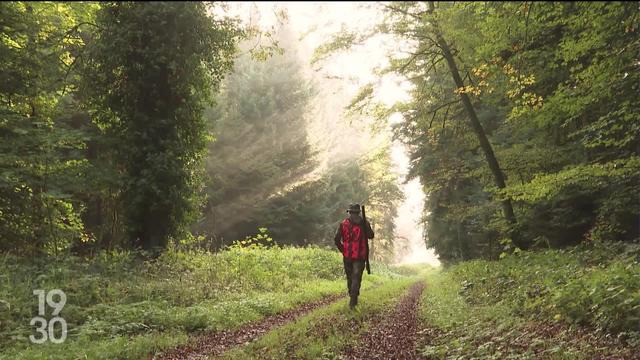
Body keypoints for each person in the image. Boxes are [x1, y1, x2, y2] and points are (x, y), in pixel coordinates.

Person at [334, 203, 374, 309]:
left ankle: (353, 302)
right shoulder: (344, 224)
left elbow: (371, 236)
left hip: (358, 256)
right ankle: (353, 297)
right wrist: (343, 250)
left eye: (355, 213)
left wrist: (366, 226)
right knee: (352, 278)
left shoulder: (363, 223)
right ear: (350, 213)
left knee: (355, 277)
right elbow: (336, 239)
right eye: (352, 213)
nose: (354, 215)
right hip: (351, 256)